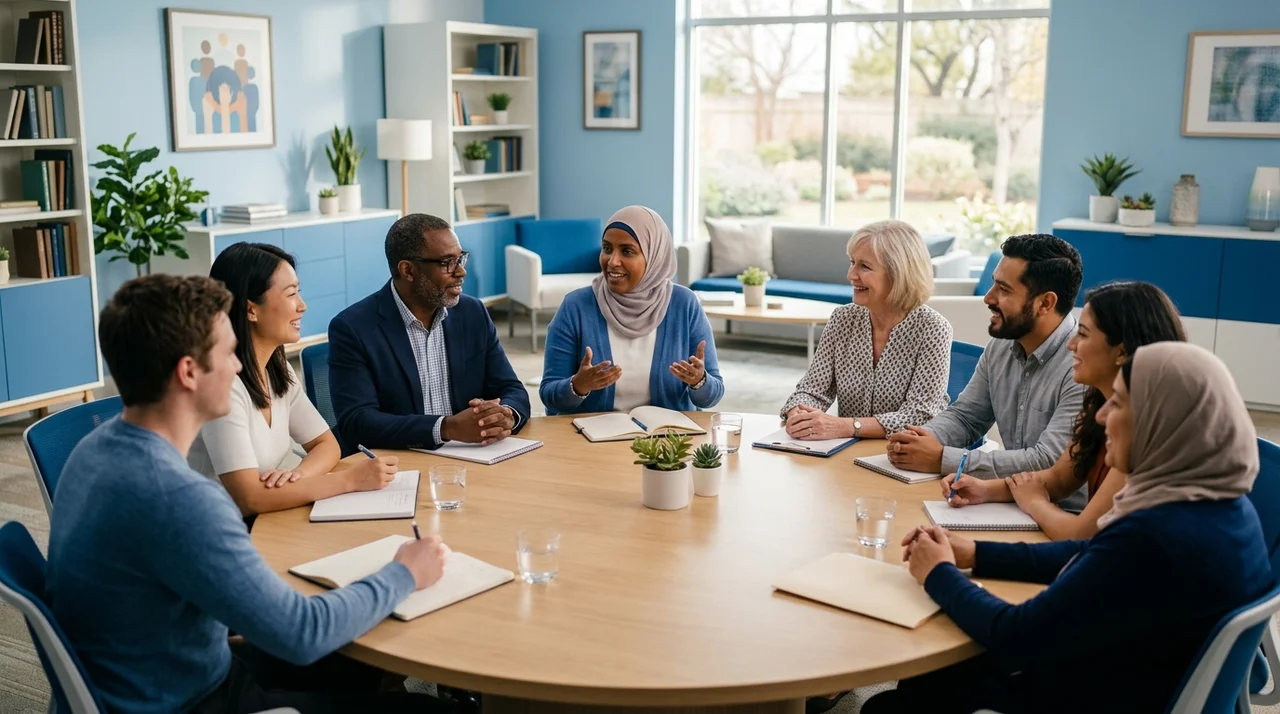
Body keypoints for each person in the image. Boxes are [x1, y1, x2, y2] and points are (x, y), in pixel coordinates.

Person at [46, 274, 453, 713]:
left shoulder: (94, 449)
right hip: (192, 698)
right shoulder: (182, 498)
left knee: (365, 658)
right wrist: (405, 573)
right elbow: (302, 633)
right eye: (227, 353)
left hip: (162, 666)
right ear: (188, 372)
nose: (240, 366)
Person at [864, 342, 1272, 714]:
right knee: (927, 682)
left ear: (1160, 421)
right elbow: (1093, 554)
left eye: (1119, 403)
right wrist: (977, 552)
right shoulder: (1223, 506)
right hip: (1138, 676)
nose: (1100, 415)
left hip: (1095, 694)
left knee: (896, 703)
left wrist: (938, 572)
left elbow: (1016, 635)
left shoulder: (1154, 537)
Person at [943, 281, 1186, 539]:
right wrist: (986, 489)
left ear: (1121, 352)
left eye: (1083, 333)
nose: (1071, 344)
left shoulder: (1143, 428)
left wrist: (1035, 503)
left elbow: (1082, 534)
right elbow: (1059, 479)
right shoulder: (1100, 404)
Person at [188, 242, 399, 516]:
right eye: (291, 294)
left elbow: (326, 445)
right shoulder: (222, 386)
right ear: (251, 309)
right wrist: (349, 480)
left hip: (272, 514)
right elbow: (248, 499)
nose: (302, 306)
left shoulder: (278, 370)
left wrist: (297, 476)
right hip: (221, 529)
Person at [887, 234, 1088, 508]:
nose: (988, 298)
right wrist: (920, 440)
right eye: (994, 283)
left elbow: (1047, 461)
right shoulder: (1000, 347)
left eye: (1004, 290)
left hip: (1066, 515)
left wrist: (941, 458)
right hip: (1013, 503)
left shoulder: (1083, 365)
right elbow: (966, 417)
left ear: (1045, 303)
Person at [329, 213, 530, 454]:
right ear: (408, 270)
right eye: (448, 263)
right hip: (397, 462)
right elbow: (357, 421)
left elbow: (511, 388)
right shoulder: (353, 327)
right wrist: (446, 428)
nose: (461, 272)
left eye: (461, 259)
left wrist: (506, 414)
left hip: (473, 455)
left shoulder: (472, 313)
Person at [540, 205, 724, 414]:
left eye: (627, 251)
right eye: (607, 249)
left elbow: (713, 396)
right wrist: (578, 386)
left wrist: (700, 381)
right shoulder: (575, 307)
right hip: (591, 438)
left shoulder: (684, 304)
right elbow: (549, 395)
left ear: (654, 256)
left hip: (667, 440)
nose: (613, 261)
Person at [780, 220, 951, 441]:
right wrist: (800, 414)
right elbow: (813, 389)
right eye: (852, 262)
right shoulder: (843, 319)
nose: (851, 275)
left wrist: (848, 426)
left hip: (900, 456)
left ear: (898, 274)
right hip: (844, 455)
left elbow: (921, 415)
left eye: (864, 266)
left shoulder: (933, 329)